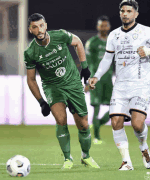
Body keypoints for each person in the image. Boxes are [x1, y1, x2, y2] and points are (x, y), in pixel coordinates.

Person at [89, 0, 150, 170]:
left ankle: (143, 147)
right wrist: (96, 76)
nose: (125, 14)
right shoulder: (114, 35)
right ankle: (126, 162)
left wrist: (148, 50)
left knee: (137, 124)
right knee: (116, 122)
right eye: (122, 11)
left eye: (129, 11)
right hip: (120, 86)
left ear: (136, 14)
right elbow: (107, 59)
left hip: (140, 86)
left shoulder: (146, 32)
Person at [24, 13, 100, 169]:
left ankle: (86, 156)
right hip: (53, 87)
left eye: (41, 25)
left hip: (73, 83)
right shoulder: (30, 52)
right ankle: (67, 159)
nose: (39, 30)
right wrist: (41, 102)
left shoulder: (60, 35)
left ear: (46, 25)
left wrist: (84, 68)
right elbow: (31, 79)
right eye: (34, 27)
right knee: (60, 120)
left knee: (84, 124)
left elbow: (78, 42)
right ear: (30, 30)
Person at [85, 15, 113, 145]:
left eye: (105, 25)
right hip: (96, 80)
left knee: (114, 108)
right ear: (98, 26)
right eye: (101, 25)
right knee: (96, 107)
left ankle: (97, 124)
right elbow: (88, 63)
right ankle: (96, 137)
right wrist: (88, 80)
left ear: (109, 27)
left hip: (108, 80)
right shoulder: (92, 43)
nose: (104, 28)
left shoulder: (113, 42)